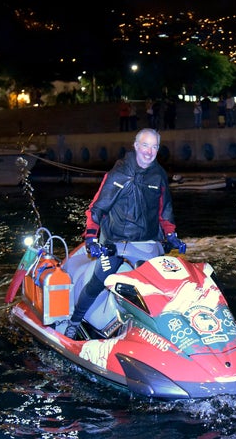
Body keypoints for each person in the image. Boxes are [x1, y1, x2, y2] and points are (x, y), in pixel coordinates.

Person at [61, 128, 187, 339]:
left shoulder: (159, 175)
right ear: (136, 146)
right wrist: (91, 237)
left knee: (160, 285)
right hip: (115, 242)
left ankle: (163, 331)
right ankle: (74, 322)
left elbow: (164, 210)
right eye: (145, 145)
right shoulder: (118, 173)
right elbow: (97, 208)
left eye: (154, 146)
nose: (149, 151)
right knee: (98, 281)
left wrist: (171, 235)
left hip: (147, 242)